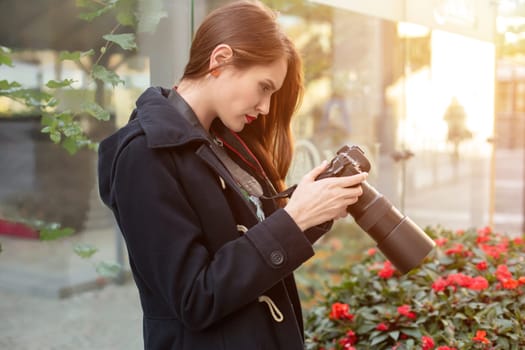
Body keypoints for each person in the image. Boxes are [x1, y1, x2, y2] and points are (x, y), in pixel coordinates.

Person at [97, 1, 367, 349]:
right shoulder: (144, 154)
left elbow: (251, 248)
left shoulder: (223, 143)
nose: (266, 107)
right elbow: (195, 298)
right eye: (264, 87)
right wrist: (294, 219)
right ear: (220, 60)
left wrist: (316, 212)